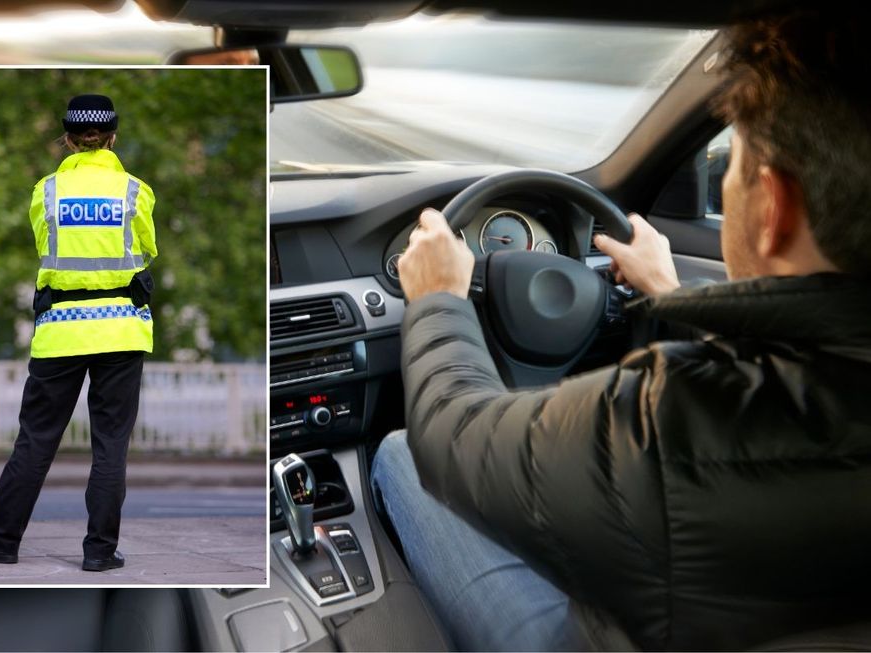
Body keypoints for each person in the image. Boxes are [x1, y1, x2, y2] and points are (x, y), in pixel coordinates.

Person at [372, 11, 871, 652]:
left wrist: (439, 298)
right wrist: (670, 294)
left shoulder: (674, 419)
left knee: (401, 454)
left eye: (732, 167)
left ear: (773, 208)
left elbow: (451, 434)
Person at [0, 94, 157, 572]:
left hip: (61, 331)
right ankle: (100, 553)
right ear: (112, 137)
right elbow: (149, 248)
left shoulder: (45, 192)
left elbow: (46, 248)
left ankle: (1, 540)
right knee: (110, 444)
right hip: (122, 331)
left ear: (66, 138)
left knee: (36, 440)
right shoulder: (135, 191)